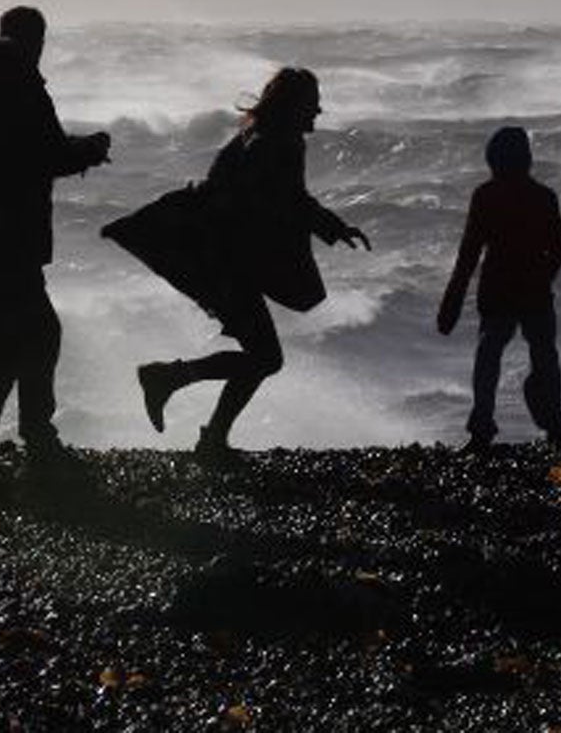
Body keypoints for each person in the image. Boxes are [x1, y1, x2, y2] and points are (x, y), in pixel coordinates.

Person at [113, 67, 369, 461]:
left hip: (226, 259)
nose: (318, 111)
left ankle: (202, 423)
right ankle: (175, 389)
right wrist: (333, 227)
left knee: (263, 357)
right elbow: (286, 201)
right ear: (294, 105)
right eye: (312, 103)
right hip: (228, 263)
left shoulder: (255, 136)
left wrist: (328, 228)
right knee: (266, 358)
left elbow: (270, 200)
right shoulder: (279, 143)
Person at [0, 6, 111, 492]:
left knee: (22, 336)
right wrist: (91, 149)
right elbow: (48, 153)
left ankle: (7, 449)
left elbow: (28, 149)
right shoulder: (19, 86)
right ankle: (18, 448)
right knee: (27, 337)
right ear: (36, 41)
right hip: (8, 231)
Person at [437, 125, 561, 451]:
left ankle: (482, 430)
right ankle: (555, 426)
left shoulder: (486, 195)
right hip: (533, 289)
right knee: (544, 357)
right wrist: (544, 274)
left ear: (494, 161)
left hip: (500, 288)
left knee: (489, 356)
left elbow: (468, 255)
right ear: (527, 160)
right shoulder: (543, 196)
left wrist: (451, 303)